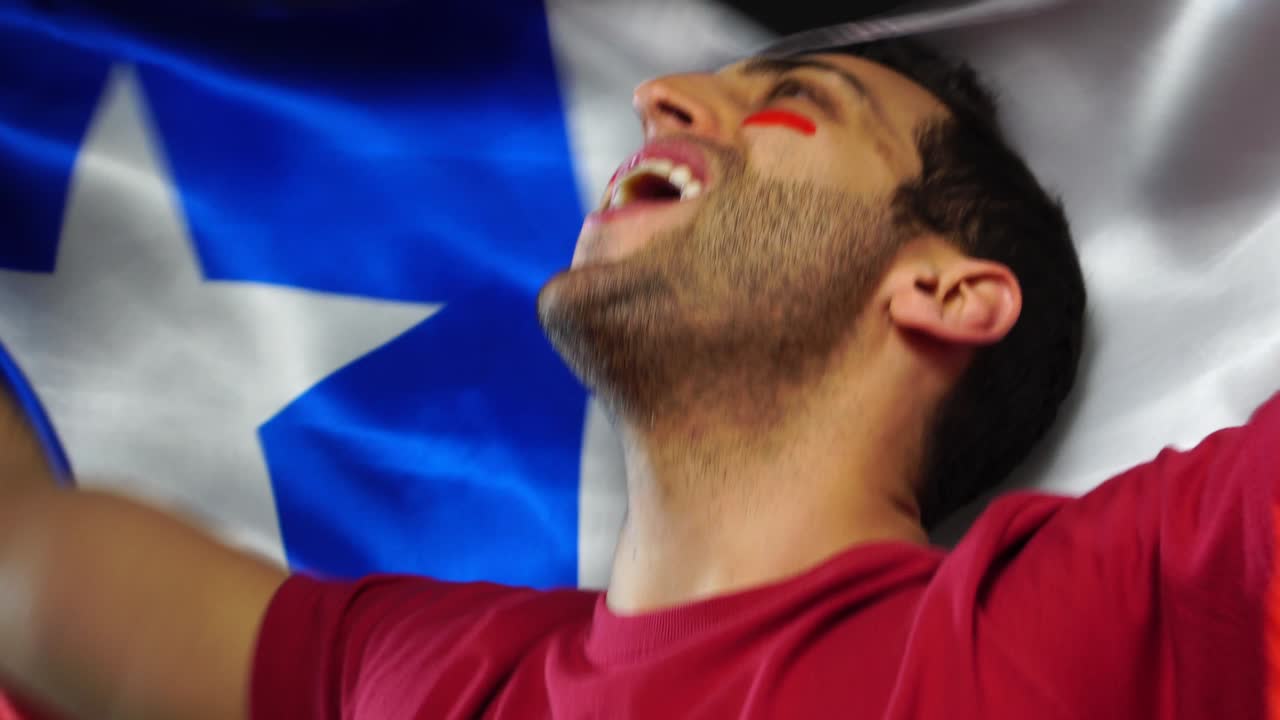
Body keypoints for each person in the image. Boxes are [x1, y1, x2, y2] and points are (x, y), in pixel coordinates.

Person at [1, 36, 1276, 719]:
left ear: (943, 292)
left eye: (799, 102)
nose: (660, 99)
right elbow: (21, 555)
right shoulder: (430, 681)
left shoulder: (1121, 606)